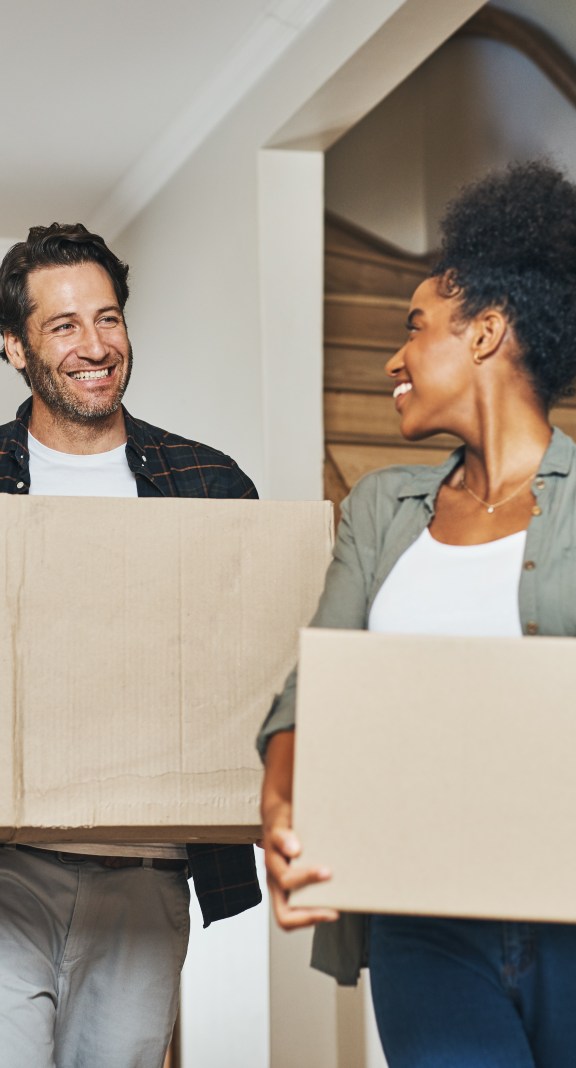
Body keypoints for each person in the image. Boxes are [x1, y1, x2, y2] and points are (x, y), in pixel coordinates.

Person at [258, 161, 576, 1066]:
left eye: (415, 328)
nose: (394, 359)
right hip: (422, 927)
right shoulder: (381, 507)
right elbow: (313, 687)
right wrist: (280, 814)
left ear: (487, 332)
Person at [0, 222, 261, 1068]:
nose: (94, 345)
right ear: (13, 347)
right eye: (63, 324)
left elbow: (253, 667)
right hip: (8, 862)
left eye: (107, 318)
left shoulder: (209, 484)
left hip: (151, 867)